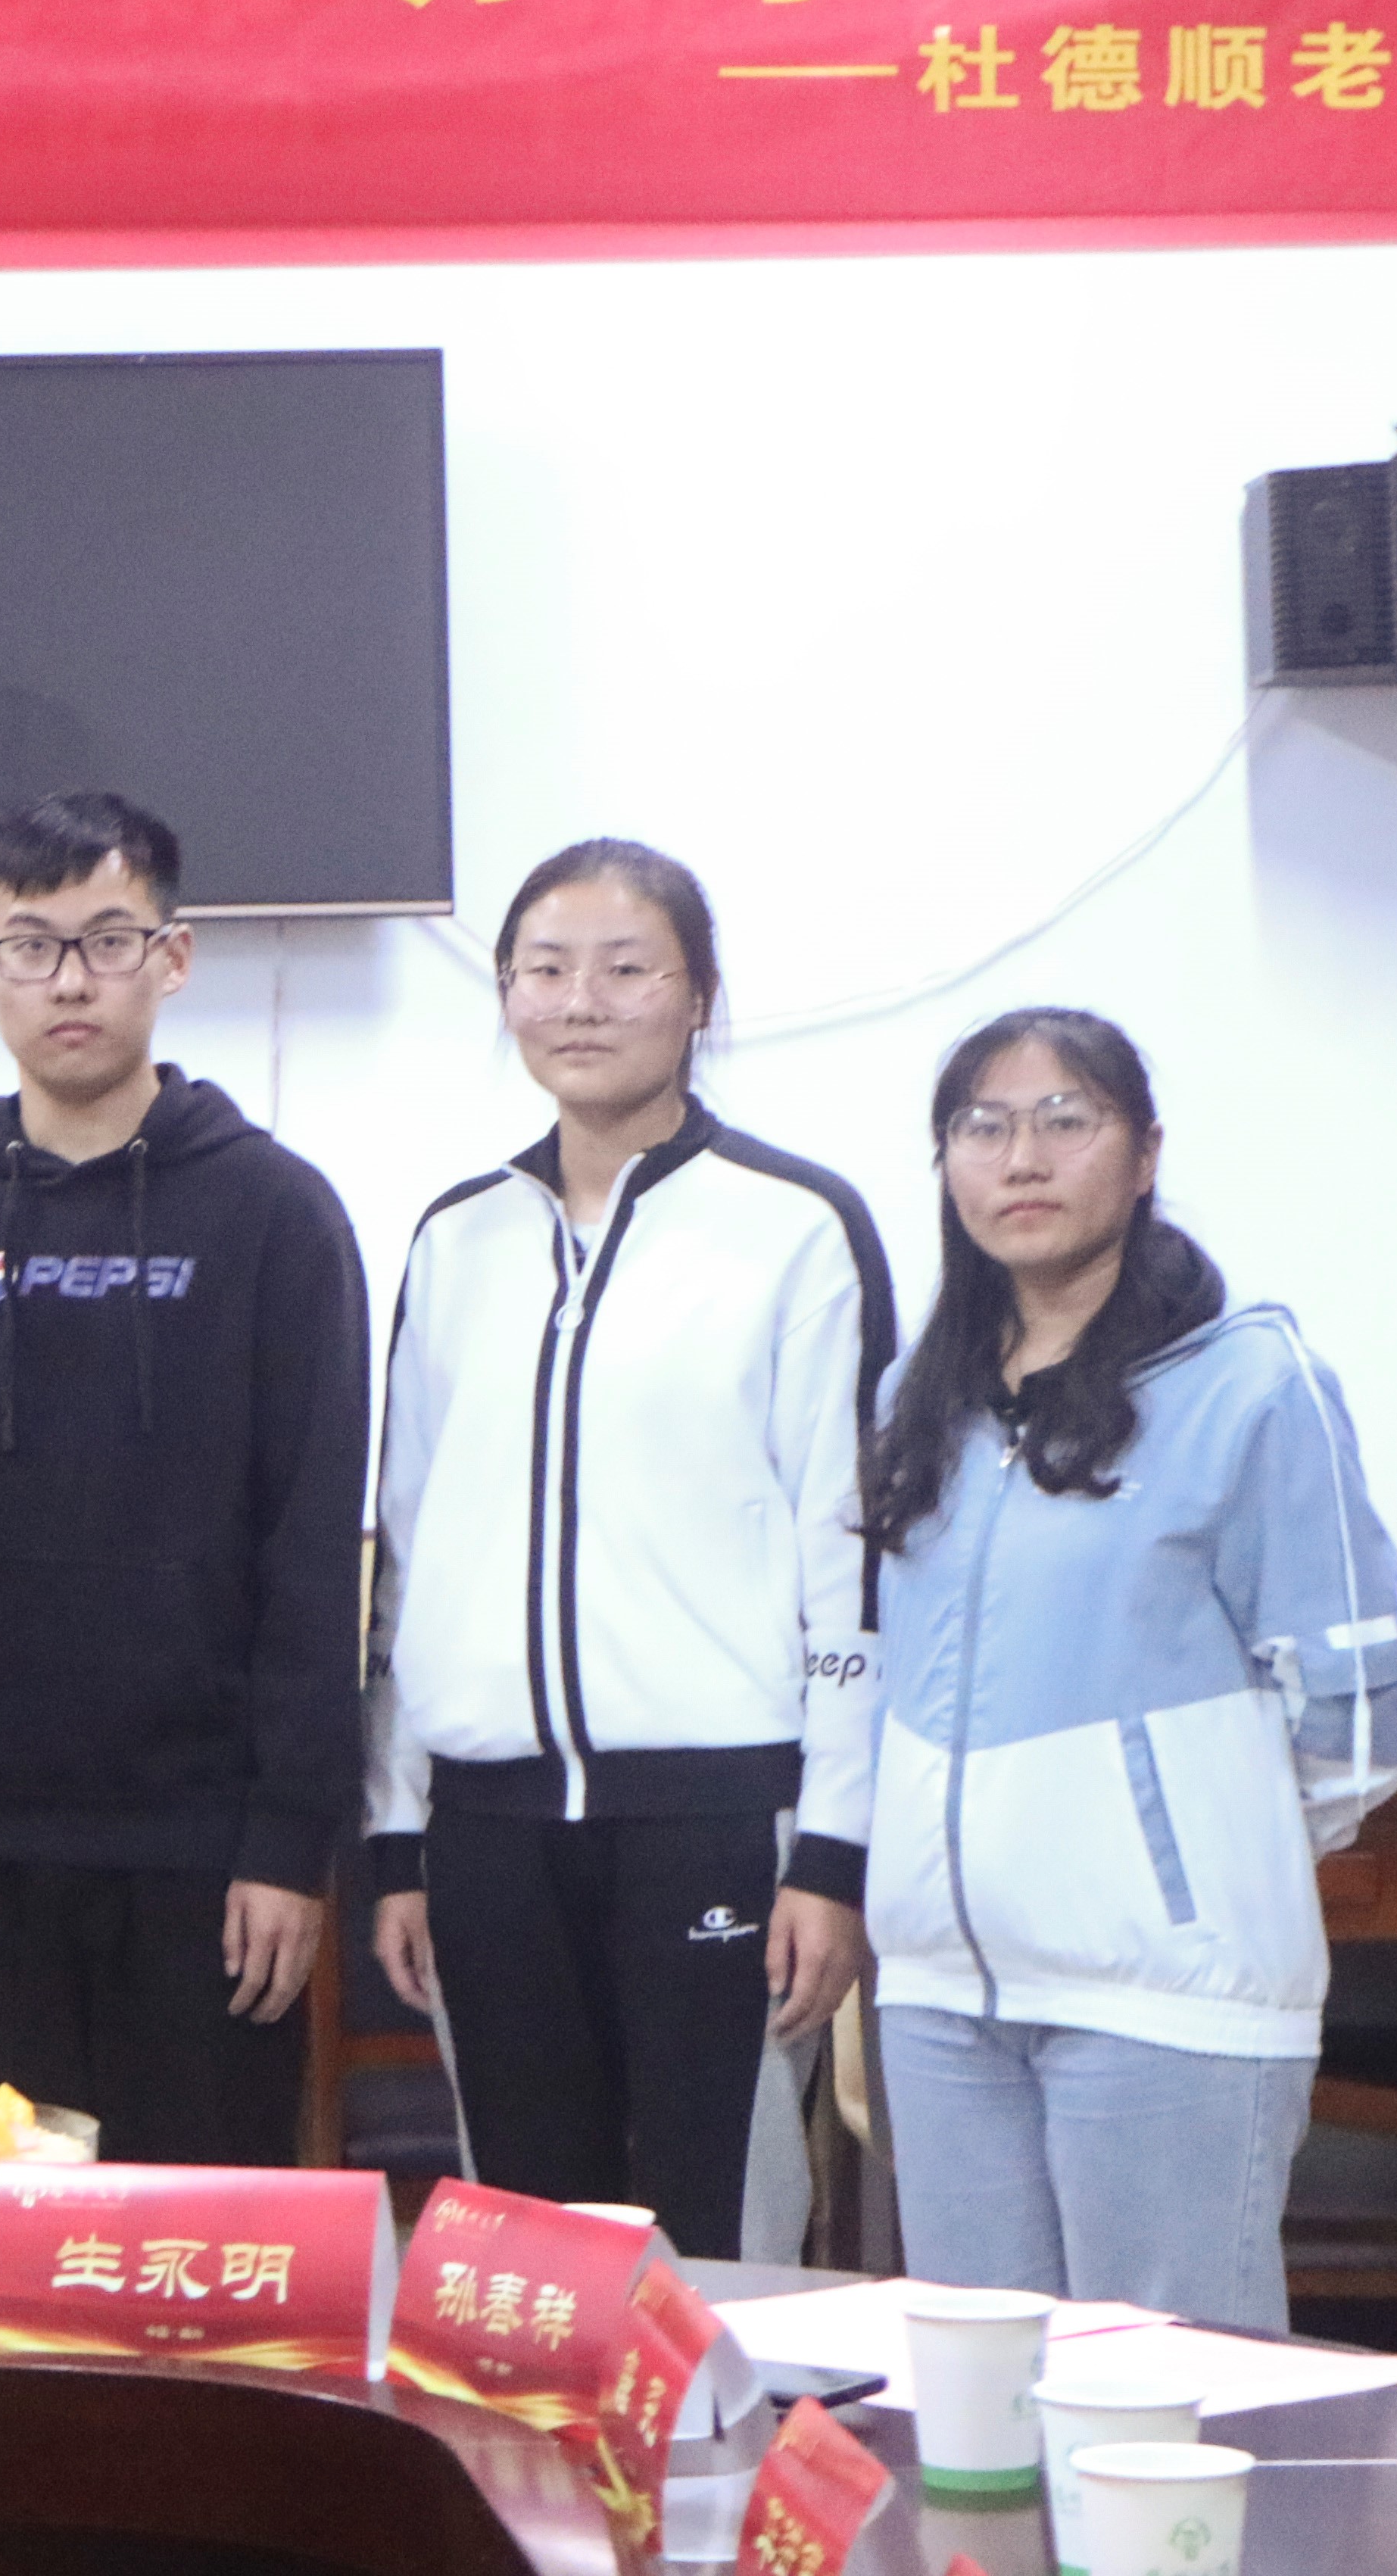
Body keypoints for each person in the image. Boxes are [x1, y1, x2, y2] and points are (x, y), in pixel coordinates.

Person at [0, 794, 371, 2162]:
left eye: (109, 940)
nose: (71, 980)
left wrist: (287, 1841)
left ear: (173, 958)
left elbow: (311, 1550)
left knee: (195, 2245)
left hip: (204, 1857)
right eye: (32, 945)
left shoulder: (277, 1216)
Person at [850, 1007, 1397, 2334]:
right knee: (978, 2404)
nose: (1021, 1159)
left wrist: (1192, 1855)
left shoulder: (1250, 1384)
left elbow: (1354, 1722)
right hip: (943, 1990)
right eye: (983, 1127)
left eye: (1067, 1121)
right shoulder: (920, 1399)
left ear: (1146, 1153)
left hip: (1168, 1995)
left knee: (1167, 2402)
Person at [363, 841, 891, 2256]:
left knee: (722, 2245)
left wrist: (832, 1854)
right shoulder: (457, 1239)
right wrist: (397, 1836)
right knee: (526, 2254)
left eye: (625, 969)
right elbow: (407, 1552)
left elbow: (852, 1556)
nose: (580, 1001)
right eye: (544, 969)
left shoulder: (795, 1228)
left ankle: (735, 2419)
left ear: (698, 997)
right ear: (506, 995)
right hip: (488, 1831)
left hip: (718, 1817)